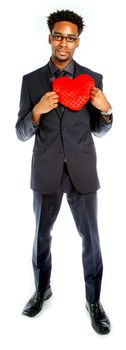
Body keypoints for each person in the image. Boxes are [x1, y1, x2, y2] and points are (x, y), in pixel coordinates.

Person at [16, 9, 113, 334]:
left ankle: (94, 301)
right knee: (41, 236)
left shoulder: (93, 79)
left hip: (83, 171)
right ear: (50, 38)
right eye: (58, 36)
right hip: (45, 171)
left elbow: (99, 129)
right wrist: (36, 112)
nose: (63, 43)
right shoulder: (31, 81)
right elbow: (21, 132)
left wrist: (107, 111)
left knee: (92, 239)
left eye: (70, 38)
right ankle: (42, 289)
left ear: (77, 42)